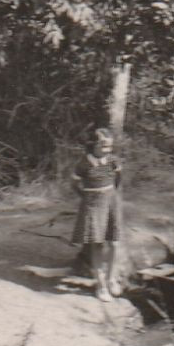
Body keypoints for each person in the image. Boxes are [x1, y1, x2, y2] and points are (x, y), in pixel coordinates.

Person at [72, 128, 122, 300]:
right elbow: (75, 184)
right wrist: (88, 198)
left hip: (111, 202)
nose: (106, 149)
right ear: (93, 144)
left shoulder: (113, 161)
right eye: (103, 145)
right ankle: (101, 285)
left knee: (114, 242)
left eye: (109, 146)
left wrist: (109, 196)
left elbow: (117, 180)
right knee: (97, 244)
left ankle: (112, 279)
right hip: (93, 205)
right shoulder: (84, 163)